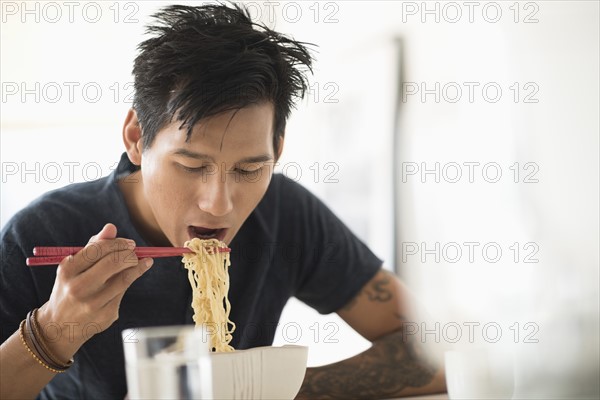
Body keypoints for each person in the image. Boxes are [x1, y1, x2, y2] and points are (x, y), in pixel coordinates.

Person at [0, 3, 446, 399]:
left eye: (249, 170)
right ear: (137, 139)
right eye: (191, 166)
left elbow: (435, 350)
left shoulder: (284, 212)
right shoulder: (41, 232)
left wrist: (265, 389)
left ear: (278, 151)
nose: (218, 204)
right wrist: (53, 333)